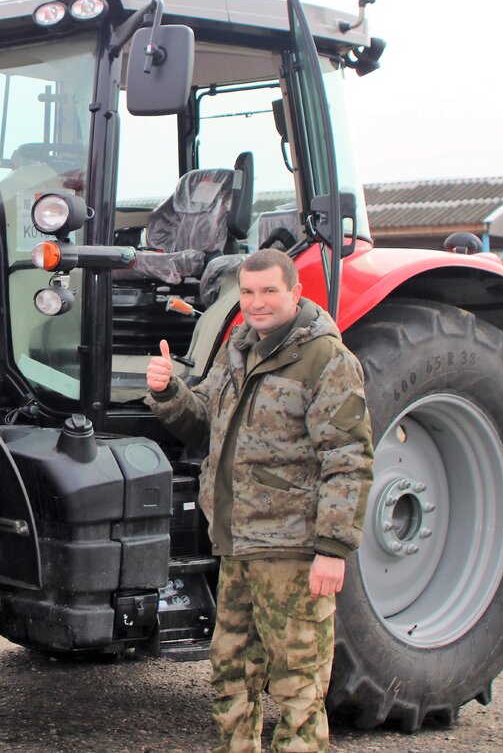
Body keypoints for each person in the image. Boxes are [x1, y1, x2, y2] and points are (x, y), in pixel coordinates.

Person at [146, 248, 373, 753]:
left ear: (295, 293)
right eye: (248, 293)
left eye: (269, 291)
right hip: (238, 546)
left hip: (291, 552)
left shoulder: (327, 361)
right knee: (231, 675)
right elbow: (203, 419)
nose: (257, 303)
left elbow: (348, 458)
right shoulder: (238, 350)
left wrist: (333, 549)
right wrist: (169, 392)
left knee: (297, 686)